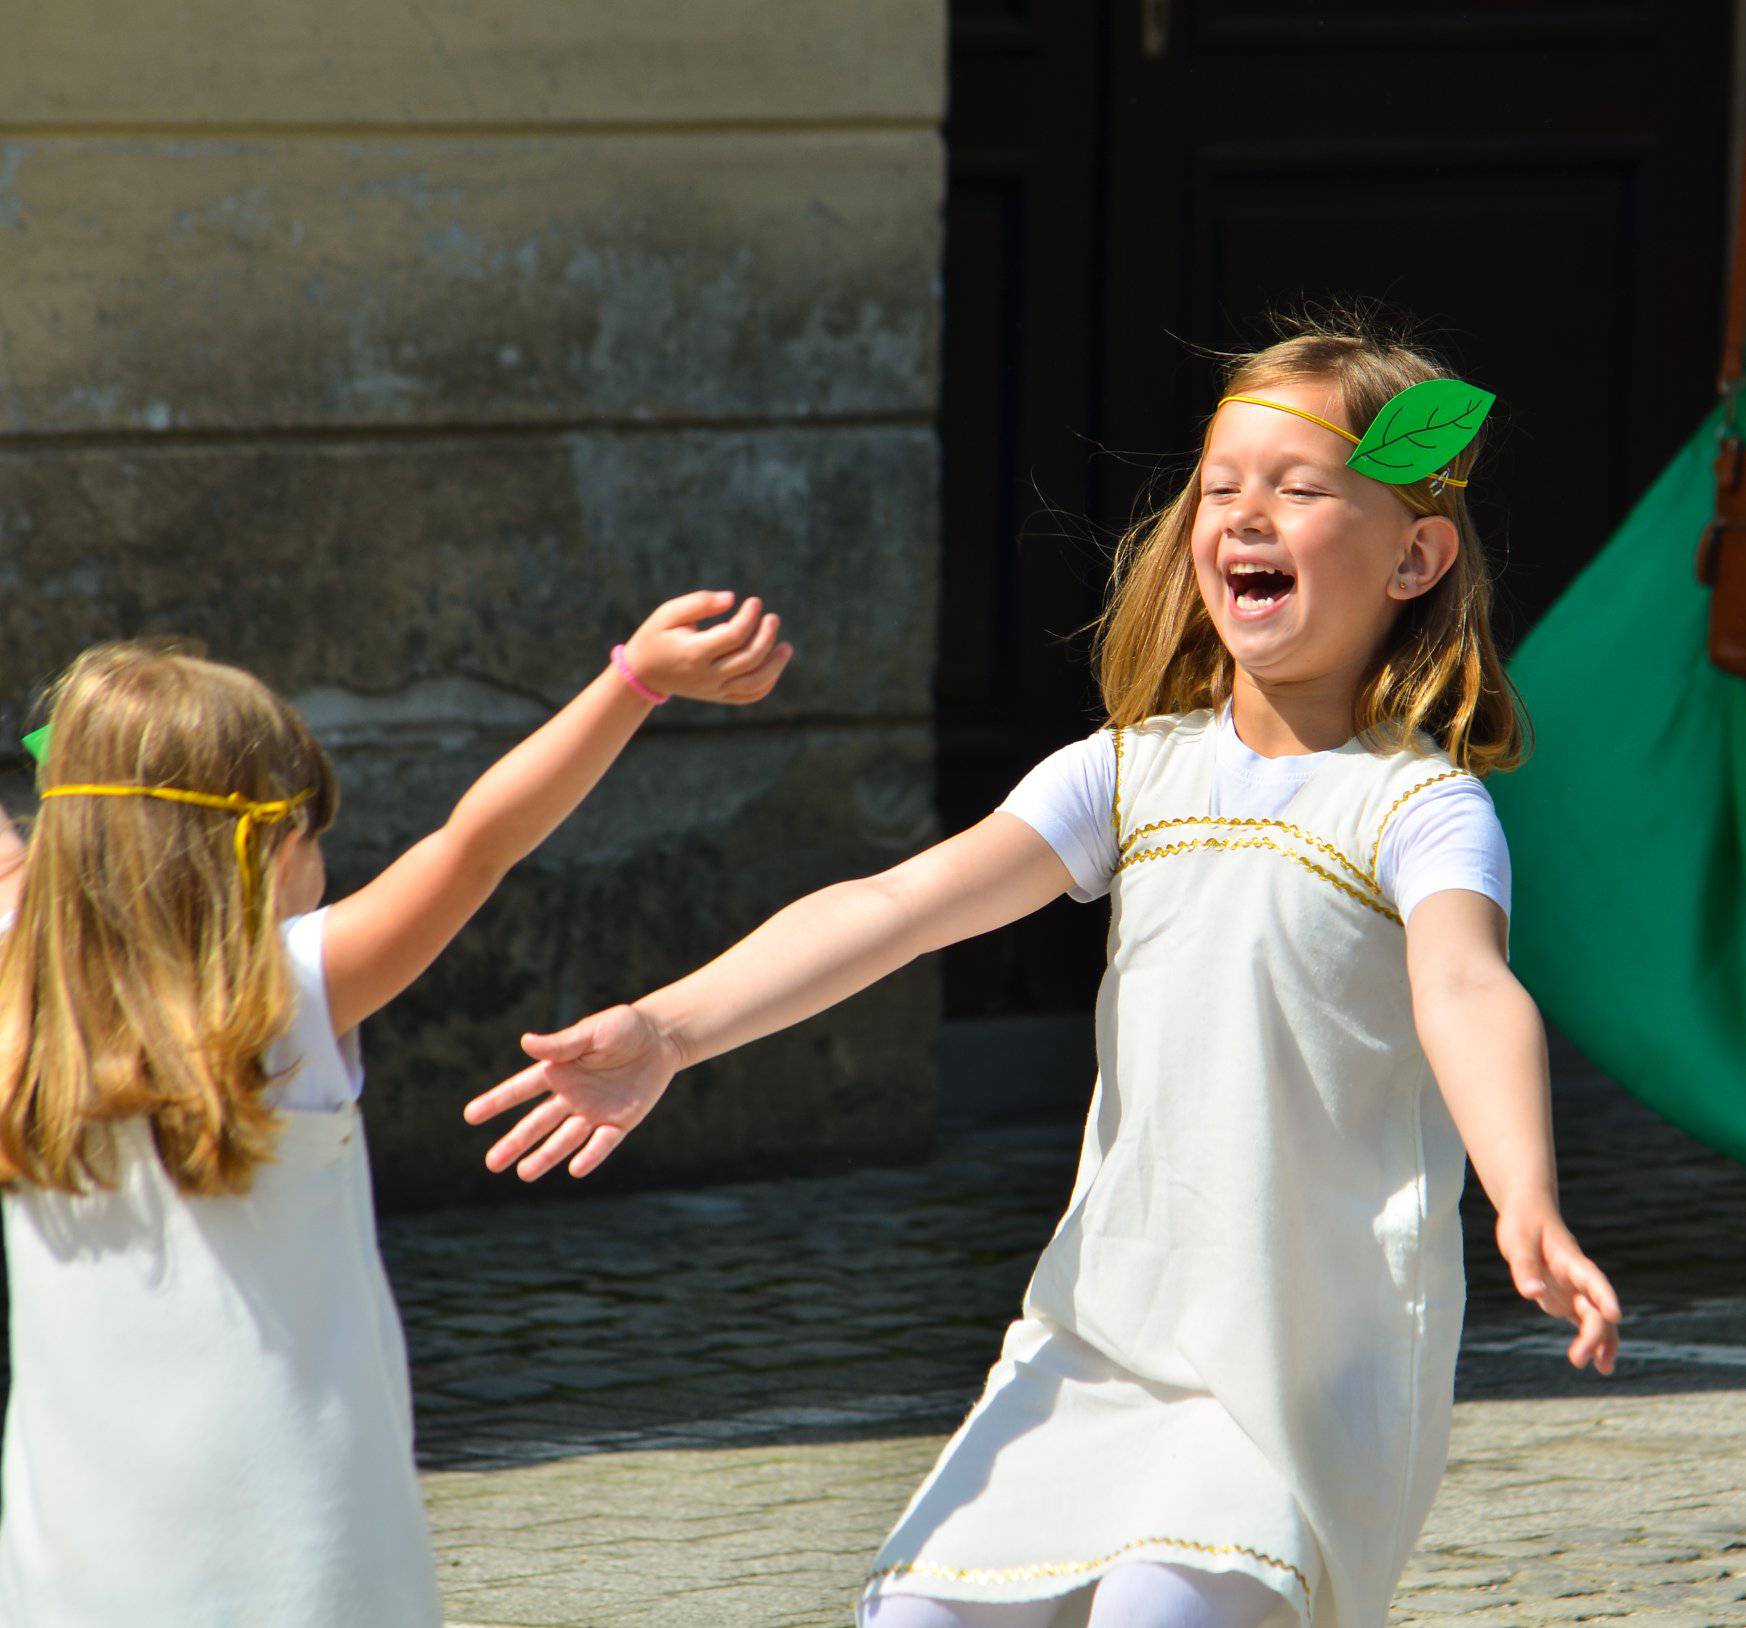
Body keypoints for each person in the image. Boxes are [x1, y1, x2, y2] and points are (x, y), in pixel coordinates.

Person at [463, 322, 1623, 1628]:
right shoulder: (1124, 773)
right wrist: (671, 1029)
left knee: (1160, 1609)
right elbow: (896, 906)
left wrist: (1521, 1189)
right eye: (1220, 483)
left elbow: (1464, 990)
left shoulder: (1417, 807)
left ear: (1414, 553)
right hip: (1101, 1333)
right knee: (921, 1615)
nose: (1245, 512)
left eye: (1299, 487)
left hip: (1302, 1358)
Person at [0, 592, 790, 1628]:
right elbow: (479, 840)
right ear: (266, 847)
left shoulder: (18, 1012)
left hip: (71, 1572)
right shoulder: (281, 996)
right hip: (305, 1560)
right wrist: (631, 682)